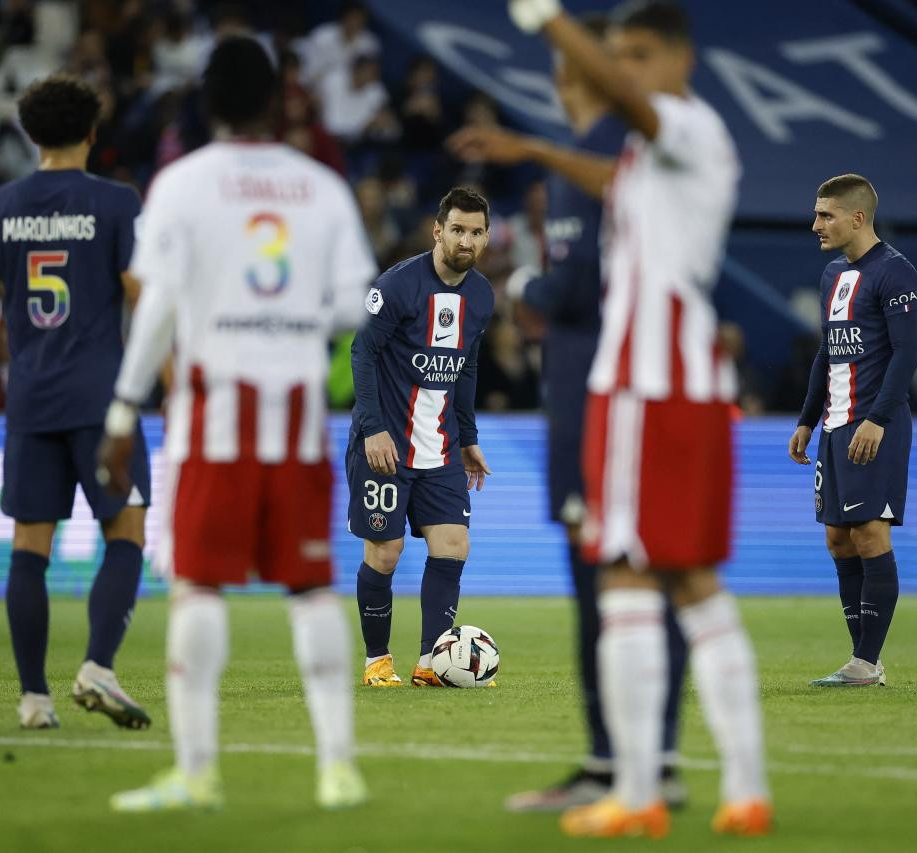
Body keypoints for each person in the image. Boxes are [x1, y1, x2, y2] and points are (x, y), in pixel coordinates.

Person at [501, 0, 771, 838]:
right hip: (687, 383)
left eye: (641, 55)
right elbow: (612, 179)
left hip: (640, 388)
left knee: (620, 572)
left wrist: (547, 18)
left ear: (681, 60)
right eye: (619, 55)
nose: (626, 70)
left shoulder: (682, 123)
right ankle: (745, 788)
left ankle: (639, 789)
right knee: (692, 584)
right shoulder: (662, 156)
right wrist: (541, 151)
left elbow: (625, 96)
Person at [100, 36, 375, 813]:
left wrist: (123, 409)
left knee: (198, 587)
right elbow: (358, 303)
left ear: (208, 102)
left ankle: (195, 773)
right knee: (312, 587)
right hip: (294, 420)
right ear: (276, 101)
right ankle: (338, 769)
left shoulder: (182, 185)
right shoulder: (321, 187)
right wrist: (291, 323)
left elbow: (155, 306)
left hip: (211, 421)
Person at [451, 13, 688, 812]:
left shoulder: (621, 162)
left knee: (625, 580)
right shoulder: (588, 164)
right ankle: (613, 756)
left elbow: (578, 287)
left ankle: (644, 758)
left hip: (607, 402)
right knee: (600, 583)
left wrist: (525, 292)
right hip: (572, 395)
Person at [0, 74, 151, 731]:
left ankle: (33, 698)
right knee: (125, 533)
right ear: (93, 133)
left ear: (30, 135)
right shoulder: (117, 205)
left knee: (28, 547)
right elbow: (139, 294)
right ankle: (97, 664)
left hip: (29, 401)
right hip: (101, 401)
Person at [349, 186, 494, 689]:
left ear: (486, 237)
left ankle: (432, 664)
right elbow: (361, 353)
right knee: (384, 554)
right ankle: (376, 661)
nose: (466, 240)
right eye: (458, 229)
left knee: (453, 544)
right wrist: (373, 429)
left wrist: (469, 436)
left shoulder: (482, 295)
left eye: (476, 232)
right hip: (386, 446)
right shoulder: (396, 286)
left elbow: (467, 365)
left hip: (442, 446)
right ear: (438, 231)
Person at [788, 174, 917, 687]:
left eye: (826, 215)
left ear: (857, 217)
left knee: (870, 534)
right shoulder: (831, 276)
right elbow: (828, 350)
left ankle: (867, 663)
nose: (815, 224)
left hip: (875, 426)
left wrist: (878, 419)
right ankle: (861, 659)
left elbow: (907, 353)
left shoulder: (895, 273)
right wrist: (806, 417)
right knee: (839, 541)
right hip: (835, 426)